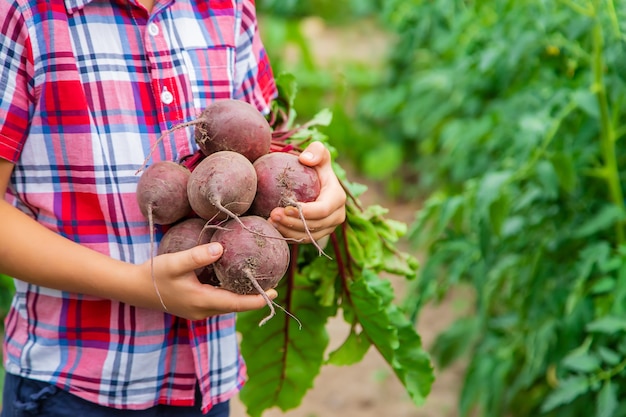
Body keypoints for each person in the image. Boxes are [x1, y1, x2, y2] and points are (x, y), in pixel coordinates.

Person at [0, 0, 347, 416]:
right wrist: (136, 284)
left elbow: (262, 149)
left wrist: (313, 202)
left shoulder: (229, 8)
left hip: (206, 384)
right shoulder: (24, 14)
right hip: (71, 385)